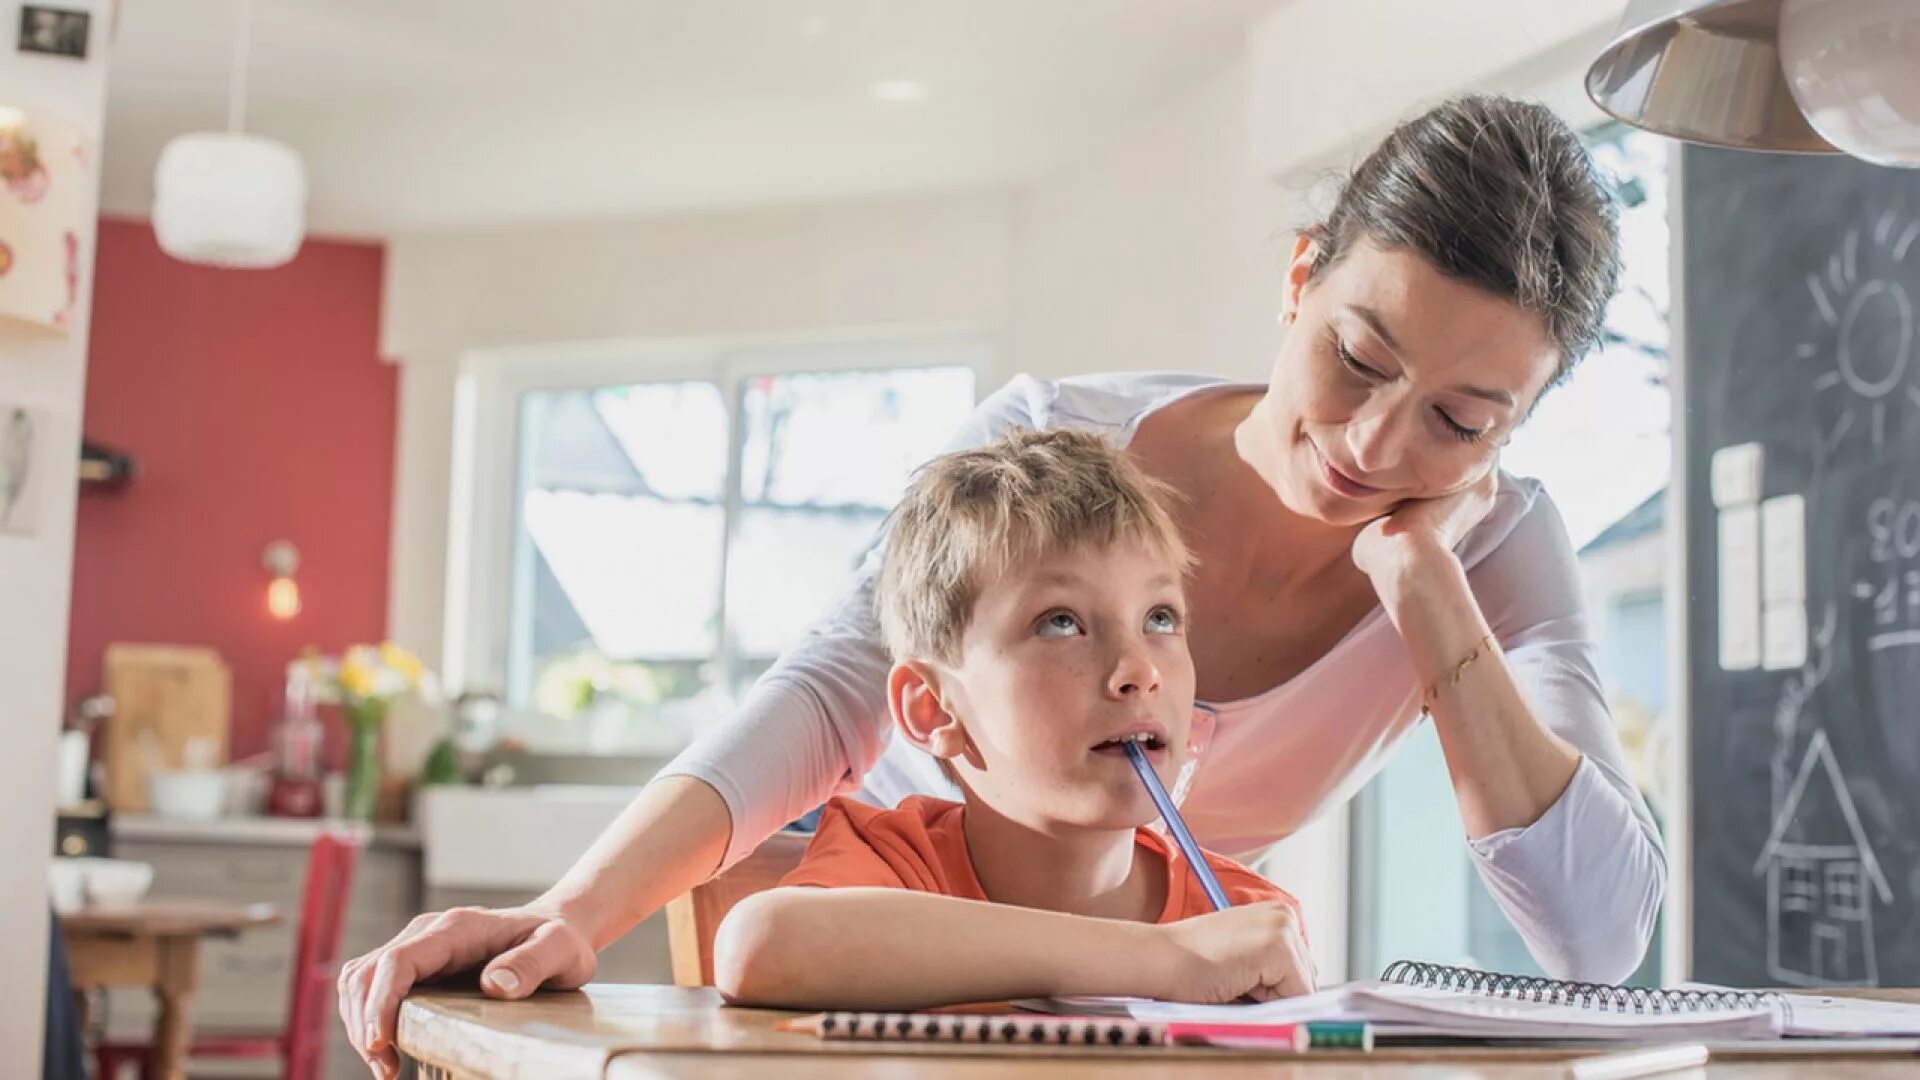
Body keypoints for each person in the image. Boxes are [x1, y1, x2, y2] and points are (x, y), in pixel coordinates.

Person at [341, 94, 1666, 1076]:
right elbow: (834, 691)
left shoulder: (1491, 550)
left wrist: (1426, 585)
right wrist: (571, 914)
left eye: (1463, 419)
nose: (1379, 448)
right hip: (885, 962)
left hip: (1122, 998)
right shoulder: (1056, 441)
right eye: (1361, 359)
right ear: (1301, 276)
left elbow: (1600, 942)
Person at [715, 428, 1307, 1010]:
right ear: (932, 707)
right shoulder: (894, 865)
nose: (1139, 669)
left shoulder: (1241, 918)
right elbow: (762, 946)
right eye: (1060, 622)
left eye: (1159, 618)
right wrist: (1166, 960)